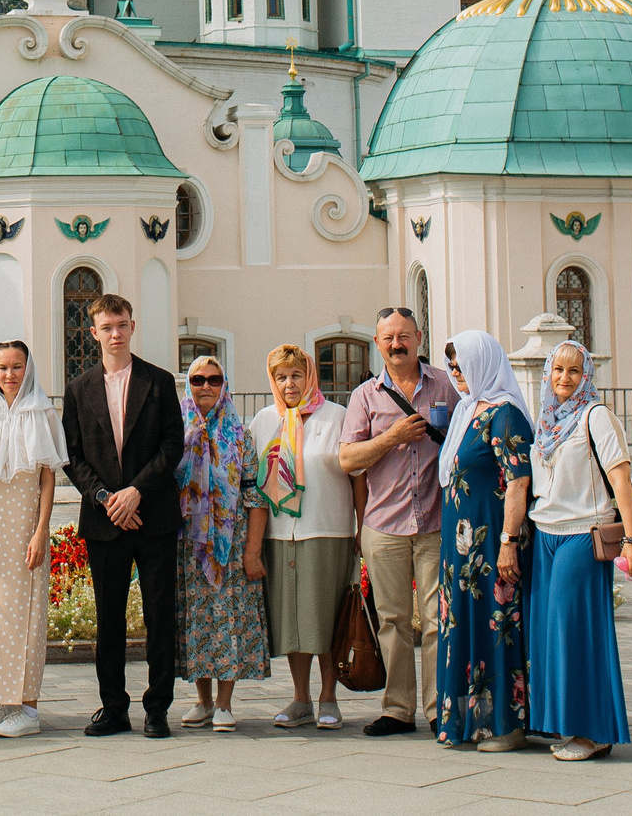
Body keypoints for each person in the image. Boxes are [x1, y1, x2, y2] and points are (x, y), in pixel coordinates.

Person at [61, 292, 185, 738]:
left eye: (122, 325)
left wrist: (135, 492)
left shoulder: (160, 381)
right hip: (105, 520)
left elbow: (172, 445)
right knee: (109, 618)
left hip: (153, 516)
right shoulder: (78, 389)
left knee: (159, 616)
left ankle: (157, 709)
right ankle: (113, 707)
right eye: (107, 327)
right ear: (93, 332)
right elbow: (72, 455)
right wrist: (105, 497)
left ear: (132, 327)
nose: (115, 334)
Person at [339, 308, 455, 737]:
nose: (396, 344)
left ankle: (439, 708)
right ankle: (398, 709)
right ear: (377, 342)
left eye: (403, 336)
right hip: (384, 524)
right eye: (387, 338)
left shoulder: (445, 385)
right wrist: (392, 437)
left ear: (419, 337)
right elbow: (347, 459)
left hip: (436, 521)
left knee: (438, 619)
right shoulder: (365, 396)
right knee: (392, 620)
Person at [526, 341, 632, 761]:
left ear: (586, 376)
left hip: (582, 534)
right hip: (545, 535)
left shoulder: (596, 416)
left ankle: (595, 733)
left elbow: (621, 480)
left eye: (574, 371)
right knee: (550, 635)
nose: (565, 378)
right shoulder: (546, 421)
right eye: (558, 369)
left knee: (576, 633)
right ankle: (569, 725)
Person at [248, 342, 357, 730]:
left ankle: (329, 698)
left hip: (327, 530)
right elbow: (252, 483)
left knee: (325, 619)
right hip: (280, 534)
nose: (289, 384)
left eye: (296, 375)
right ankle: (300, 699)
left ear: (310, 376)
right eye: (281, 377)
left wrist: (361, 526)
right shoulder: (263, 421)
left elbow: (356, 476)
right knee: (293, 622)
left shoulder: (336, 416)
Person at [434, 330, 533, 751]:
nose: (456, 373)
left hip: (491, 544)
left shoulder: (505, 415)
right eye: (452, 366)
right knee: (465, 624)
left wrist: (508, 542)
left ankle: (507, 727)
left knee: (498, 625)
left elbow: (518, 482)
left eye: (462, 365)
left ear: (484, 363)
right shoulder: (467, 411)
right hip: (461, 548)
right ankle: (470, 723)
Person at [0, 338, 67, 737]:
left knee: (26, 612)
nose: (9, 375)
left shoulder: (42, 413)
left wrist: (41, 531)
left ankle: (28, 707)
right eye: (2, 367)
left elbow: (48, 479)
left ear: (28, 369)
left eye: (16, 367)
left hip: (25, 524)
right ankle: (5, 700)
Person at [175, 353, 268, 732]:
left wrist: (253, 551)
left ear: (224, 385)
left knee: (227, 617)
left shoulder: (240, 434)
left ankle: (225, 704)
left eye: (214, 380)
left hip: (231, 541)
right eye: (198, 380)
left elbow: (255, 495)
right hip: (188, 542)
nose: (206, 387)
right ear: (188, 385)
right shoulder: (175, 429)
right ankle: (202, 701)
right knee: (197, 619)